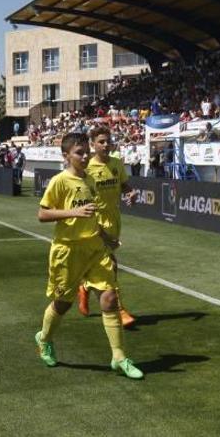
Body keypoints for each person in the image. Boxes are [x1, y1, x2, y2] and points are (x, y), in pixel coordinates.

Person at [34, 132, 143, 379]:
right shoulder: (60, 181)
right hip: (67, 250)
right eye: (78, 153)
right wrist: (74, 211)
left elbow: (92, 214)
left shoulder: (91, 180)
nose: (84, 157)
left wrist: (105, 237)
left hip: (95, 248)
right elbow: (42, 214)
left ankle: (119, 357)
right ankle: (45, 338)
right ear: (66, 156)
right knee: (63, 303)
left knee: (109, 298)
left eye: (85, 152)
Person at [77, 126, 139, 329]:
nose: (106, 145)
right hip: (95, 220)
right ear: (93, 145)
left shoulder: (116, 163)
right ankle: (119, 310)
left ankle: (85, 286)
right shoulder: (88, 169)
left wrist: (130, 193)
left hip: (114, 219)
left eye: (108, 141)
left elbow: (123, 185)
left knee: (105, 264)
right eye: (101, 141)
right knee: (110, 265)